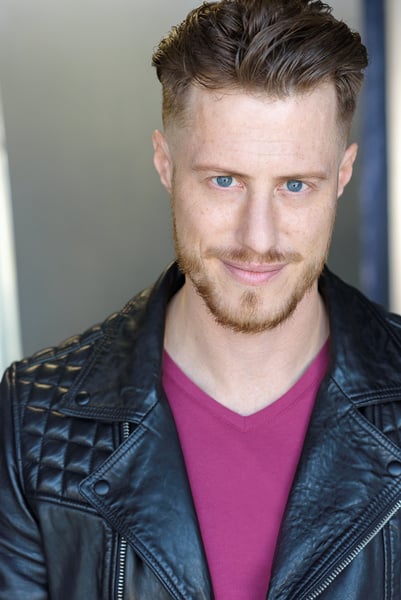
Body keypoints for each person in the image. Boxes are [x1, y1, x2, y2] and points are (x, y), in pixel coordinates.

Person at [2, 0, 401, 598]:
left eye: (296, 185)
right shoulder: (32, 418)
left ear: (342, 175)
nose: (257, 238)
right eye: (224, 180)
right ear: (165, 164)